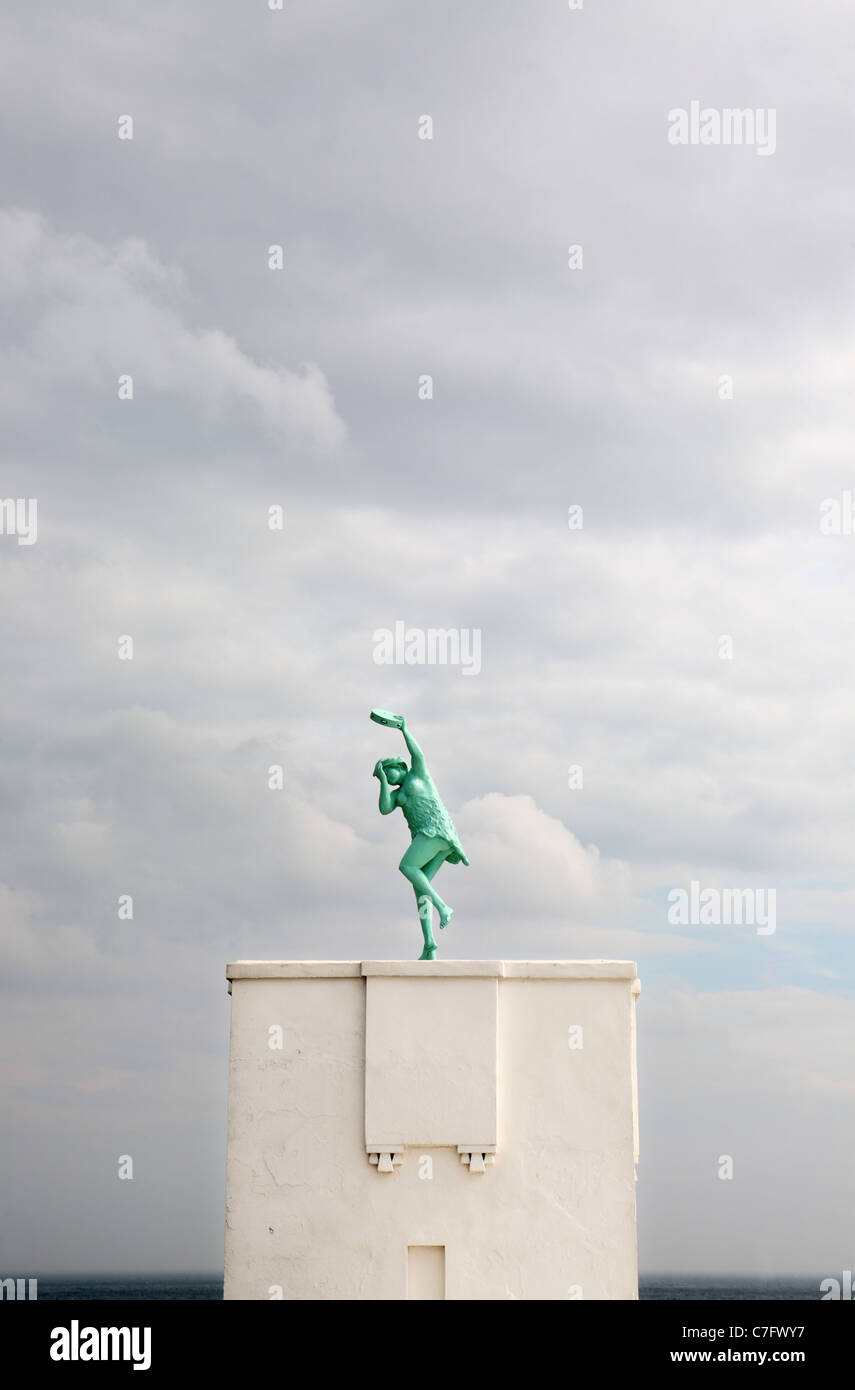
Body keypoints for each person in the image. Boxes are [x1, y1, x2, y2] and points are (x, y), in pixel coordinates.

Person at [373, 716, 469, 960]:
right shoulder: (396, 794)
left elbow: (418, 754)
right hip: (430, 839)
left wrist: (404, 729)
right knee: (420, 887)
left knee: (406, 866)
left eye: (390, 770)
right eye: (385, 773)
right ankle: (429, 945)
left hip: (435, 831)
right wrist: (382, 780)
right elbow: (384, 808)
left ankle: (443, 907)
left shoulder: (419, 775)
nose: (389, 776)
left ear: (401, 767)